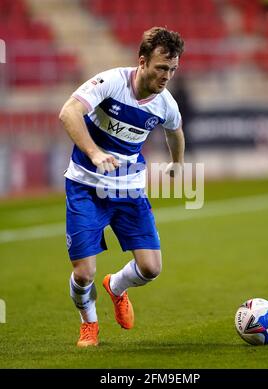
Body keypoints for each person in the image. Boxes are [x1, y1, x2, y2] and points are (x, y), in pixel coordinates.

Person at [59, 27, 185, 347]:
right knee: (83, 273)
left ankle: (115, 286)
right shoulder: (111, 82)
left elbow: (175, 130)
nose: (167, 75)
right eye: (161, 67)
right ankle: (89, 323)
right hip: (85, 187)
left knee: (151, 268)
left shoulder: (165, 103)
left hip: (128, 190)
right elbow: (69, 112)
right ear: (142, 62)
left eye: (172, 69)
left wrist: (177, 162)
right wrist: (95, 152)